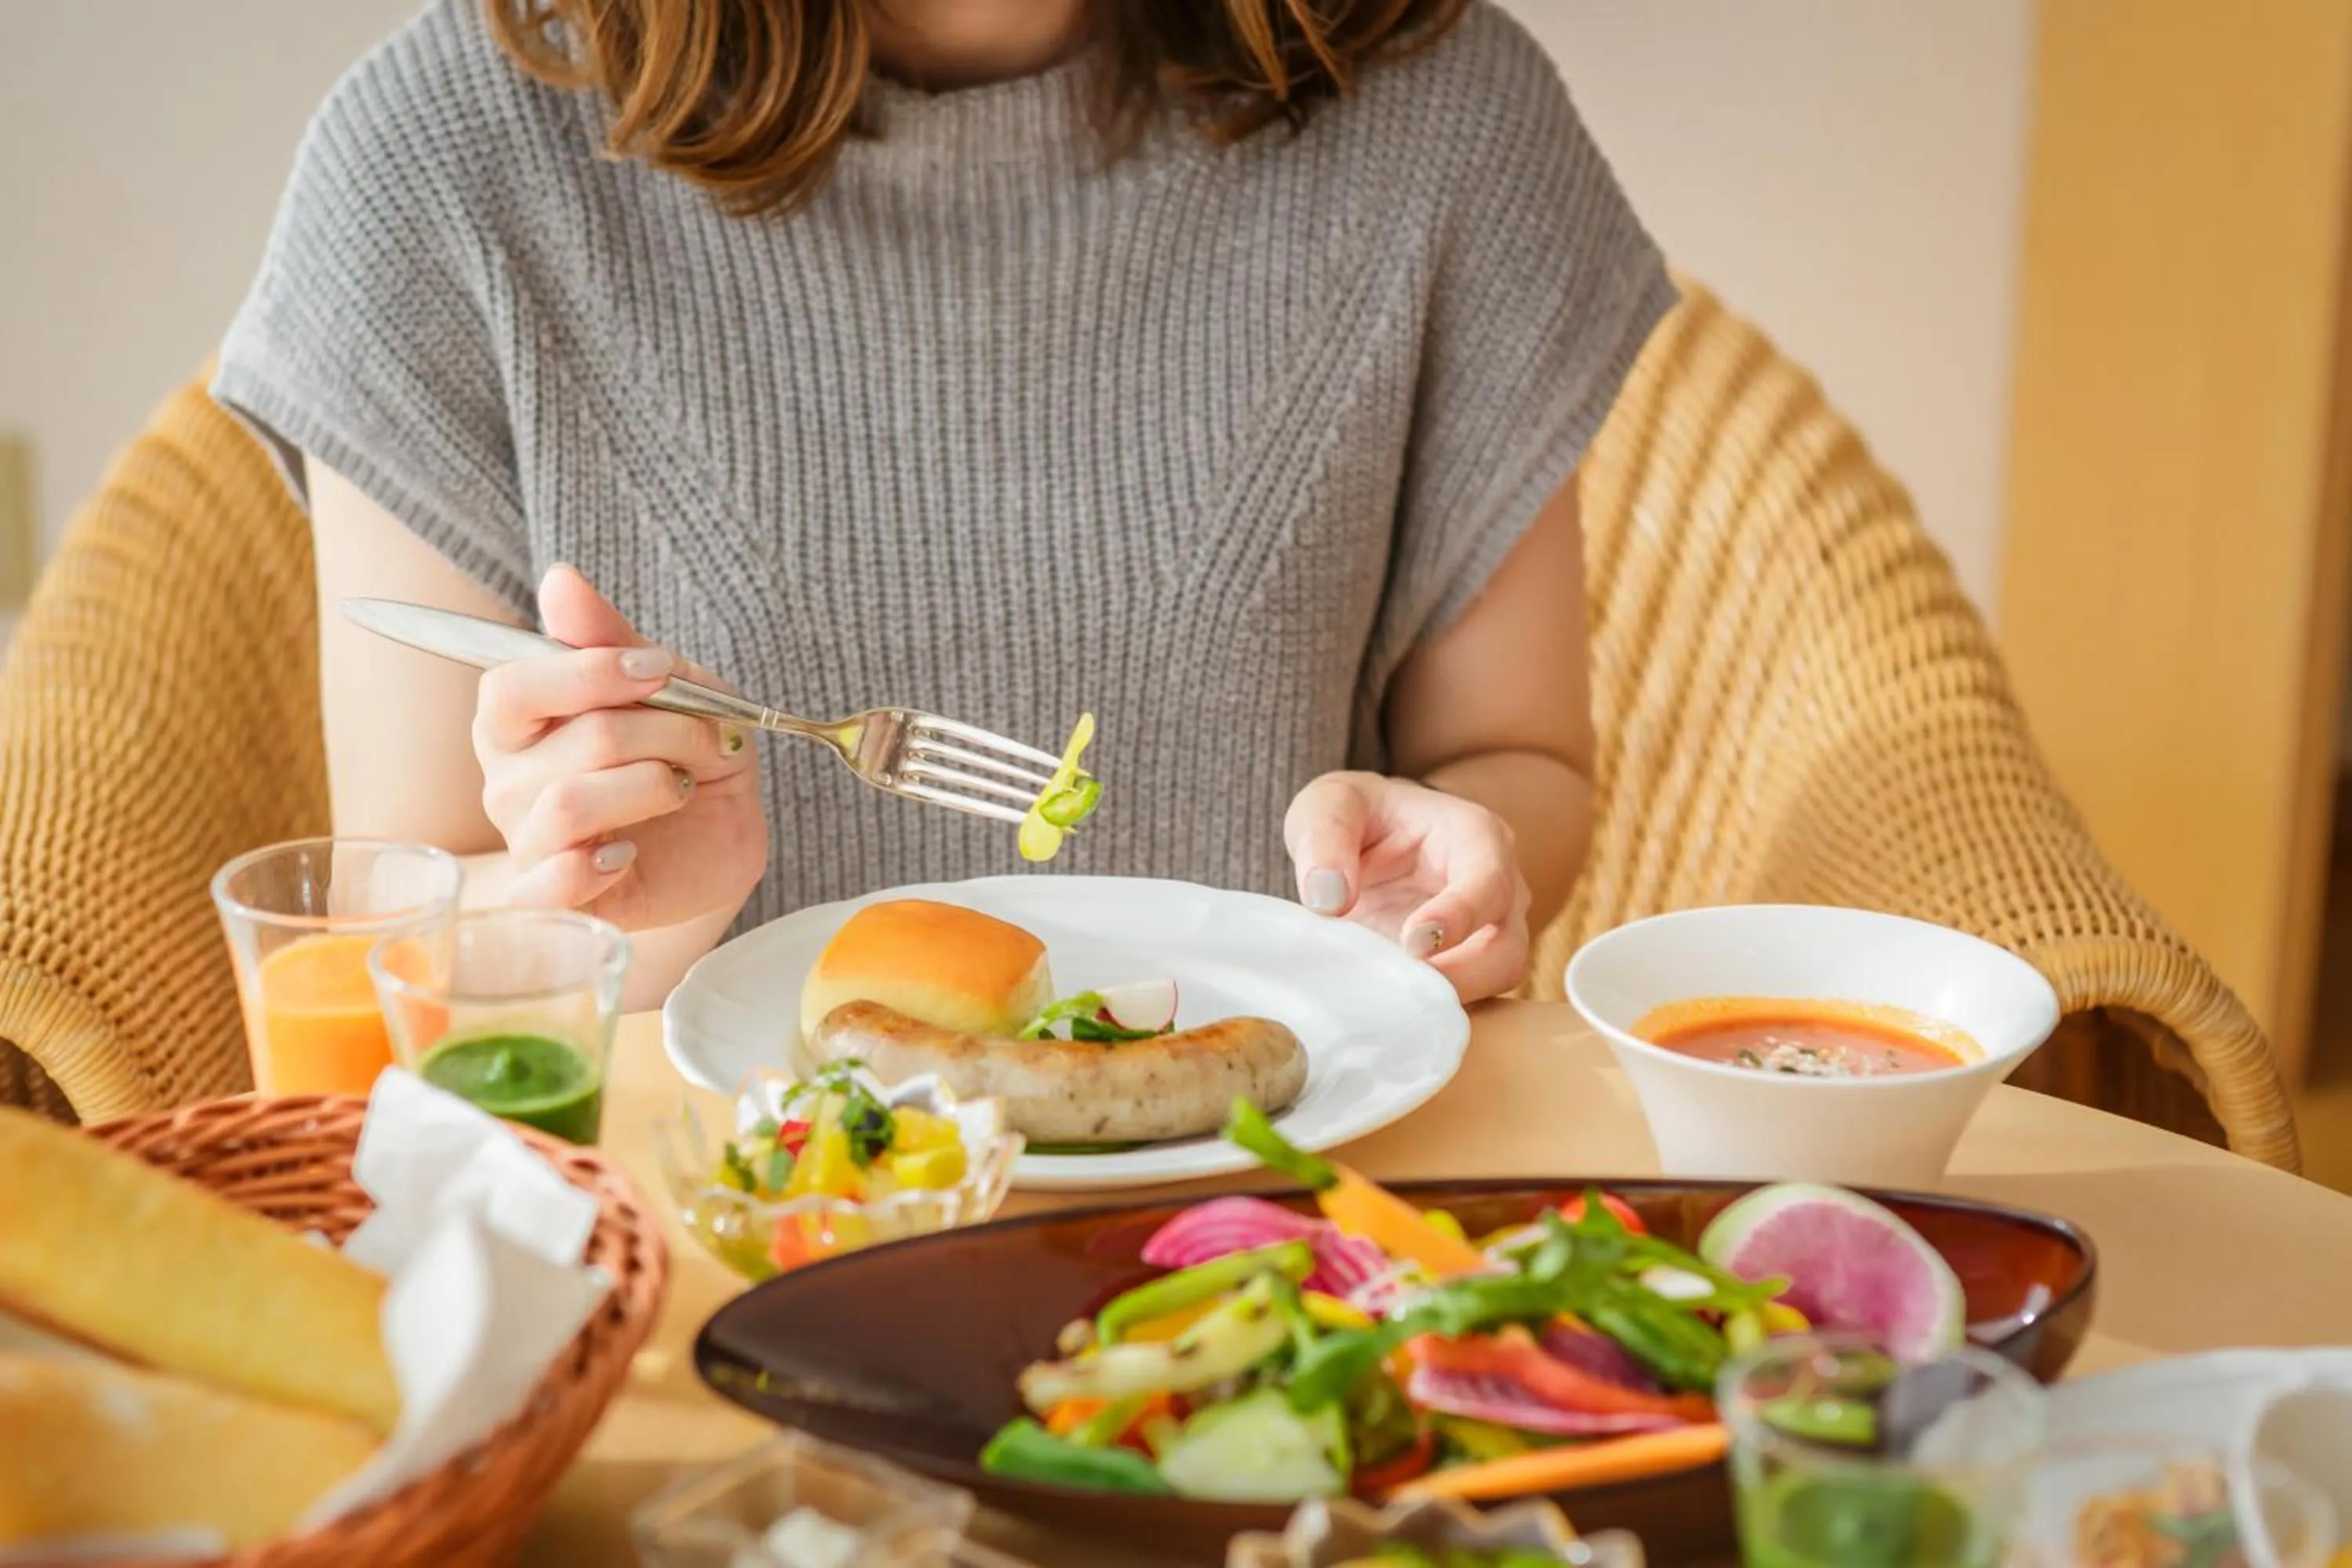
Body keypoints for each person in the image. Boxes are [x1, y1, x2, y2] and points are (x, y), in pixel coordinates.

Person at [214, 0, 1673, 1010]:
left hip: (1281, 1229)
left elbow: (1513, 760)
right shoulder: (443, 161)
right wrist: (619, 910)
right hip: (705, 1258)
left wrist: (1442, 873)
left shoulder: (1446, 114)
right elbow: (393, 933)